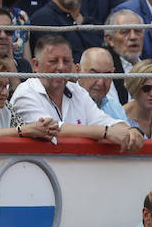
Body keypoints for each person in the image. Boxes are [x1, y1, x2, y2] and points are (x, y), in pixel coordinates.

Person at [10, 34, 144, 149]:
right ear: (36, 65)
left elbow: (102, 119)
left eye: (66, 61)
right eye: (53, 61)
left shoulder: (77, 91)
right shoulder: (25, 92)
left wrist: (130, 130)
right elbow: (52, 130)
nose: (61, 67)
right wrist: (106, 132)